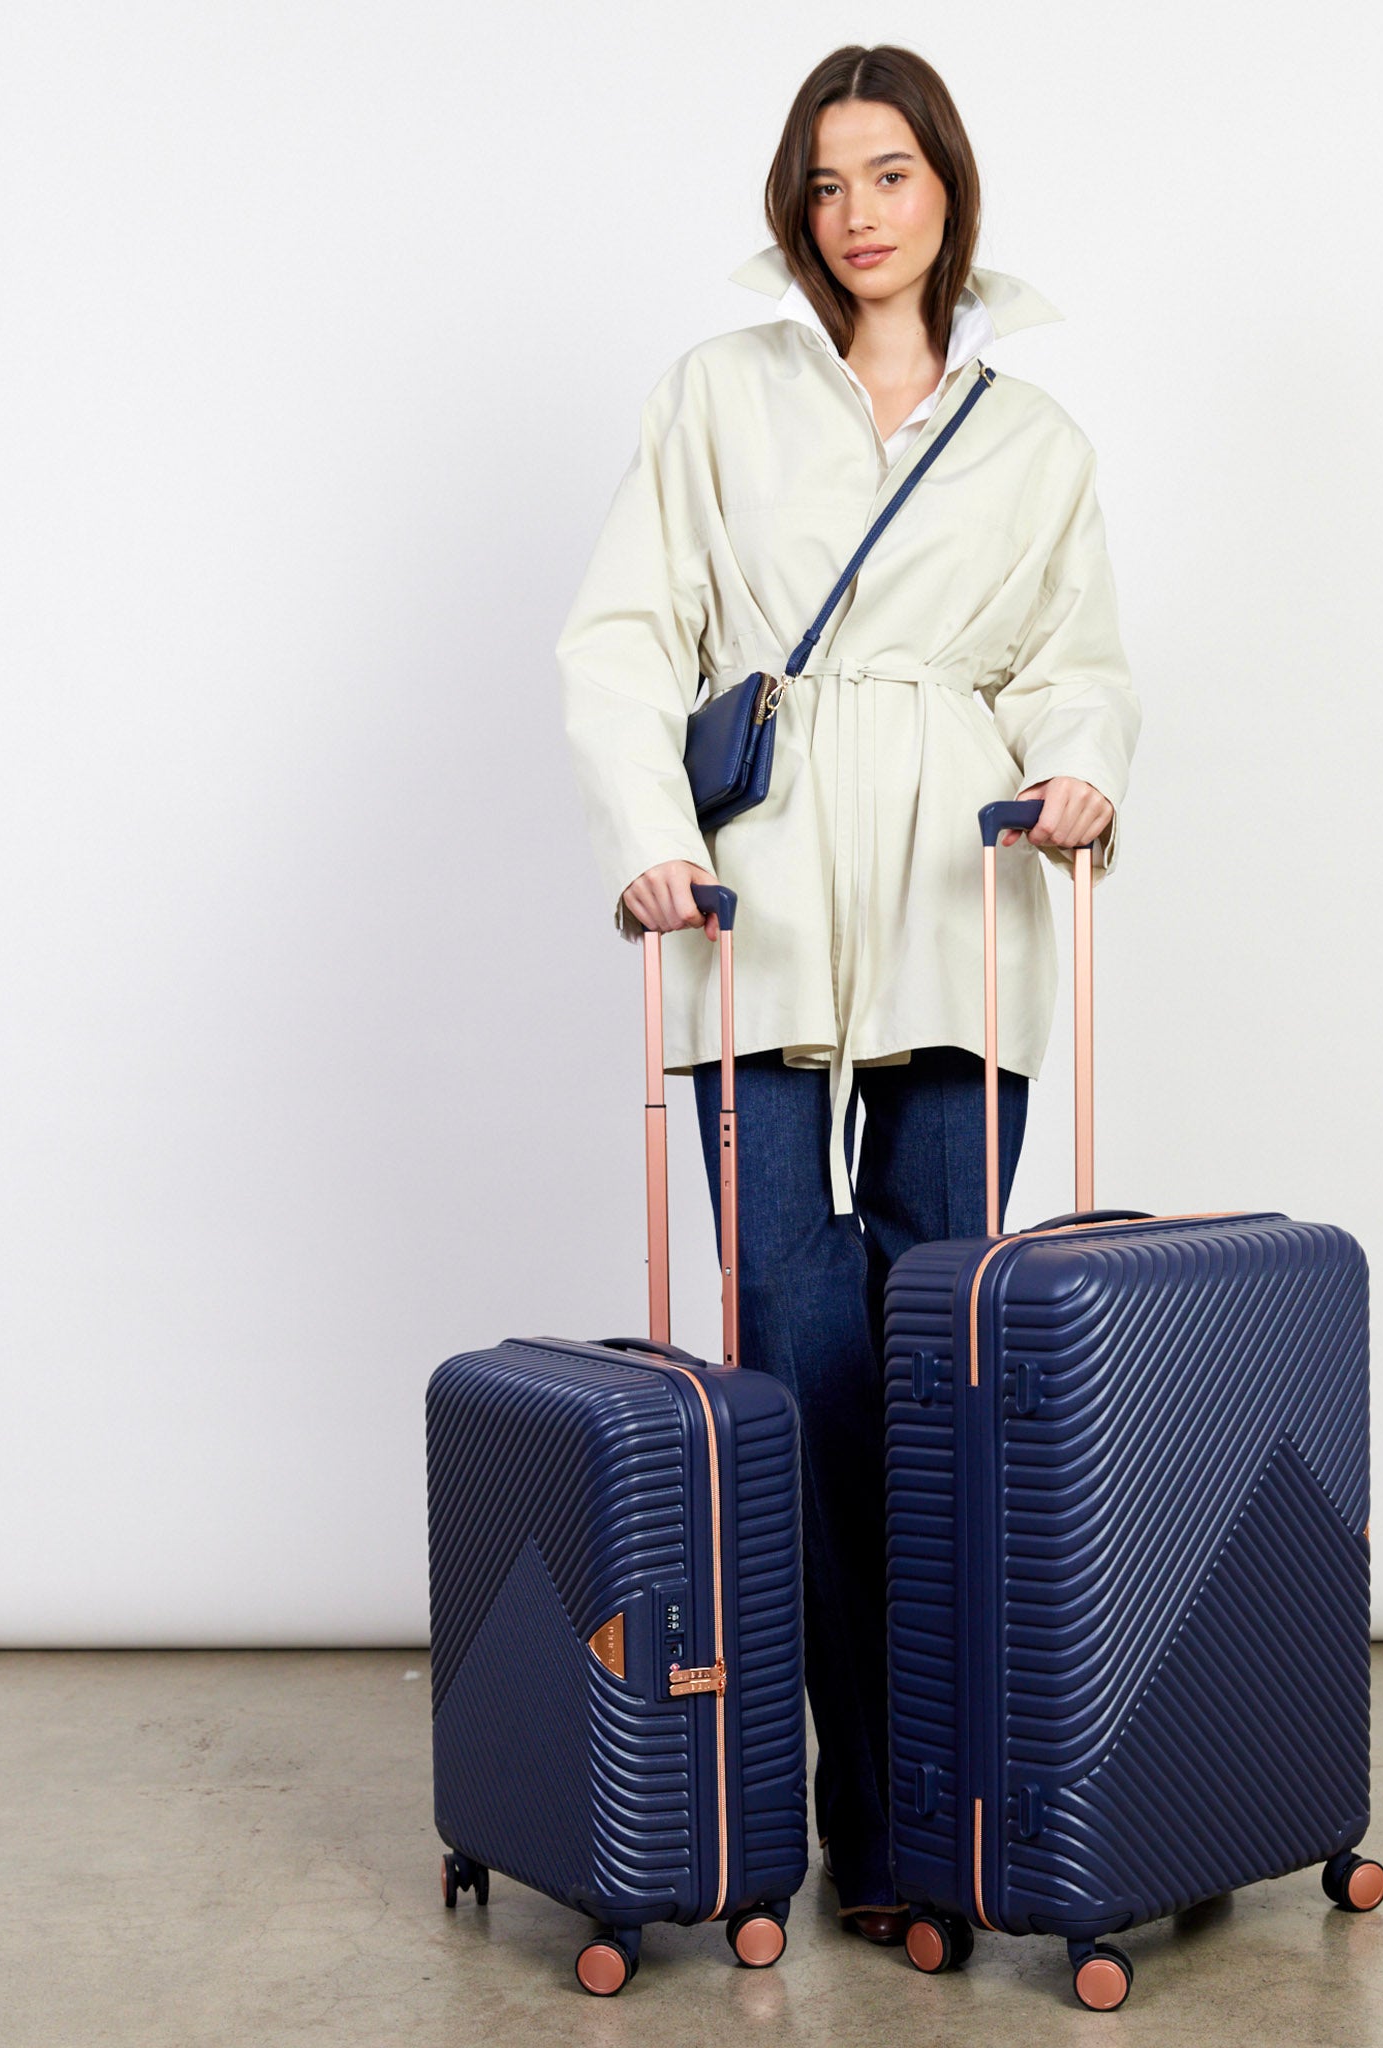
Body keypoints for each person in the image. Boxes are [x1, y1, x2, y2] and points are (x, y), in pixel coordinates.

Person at [555, 43, 1141, 1943]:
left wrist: (1084, 775)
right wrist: (651, 829)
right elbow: (630, 630)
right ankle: (830, 1812)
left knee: (943, 1355)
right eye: (827, 183)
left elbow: (1078, 660)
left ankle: (931, 1826)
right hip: (767, 907)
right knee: (797, 1353)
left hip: (966, 905)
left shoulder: (1031, 436)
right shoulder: (720, 396)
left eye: (892, 174)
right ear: (795, 210)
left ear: (948, 188)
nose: (862, 212)